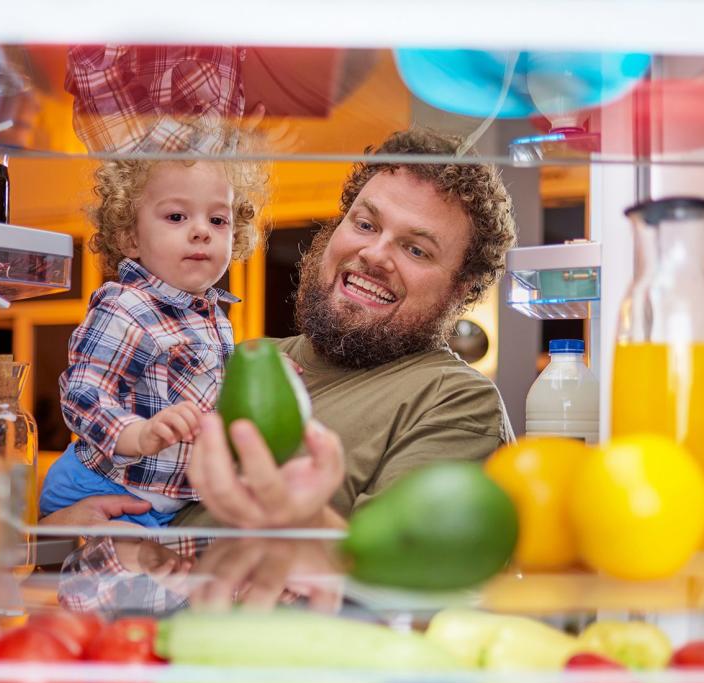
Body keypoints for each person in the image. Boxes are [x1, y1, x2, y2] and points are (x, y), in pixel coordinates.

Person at [177, 127, 518, 529]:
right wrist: (86, 509)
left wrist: (295, 518)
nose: (374, 254)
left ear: (461, 289)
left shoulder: (455, 400)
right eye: (366, 225)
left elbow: (393, 575)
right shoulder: (245, 358)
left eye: (416, 249)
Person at [39, 154, 267, 527]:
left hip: (162, 500)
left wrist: (258, 376)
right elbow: (84, 393)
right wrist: (137, 433)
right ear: (130, 236)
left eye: (218, 219)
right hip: (104, 486)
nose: (201, 231)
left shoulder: (213, 318)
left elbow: (211, 399)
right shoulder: (126, 305)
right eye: (177, 217)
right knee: (134, 581)